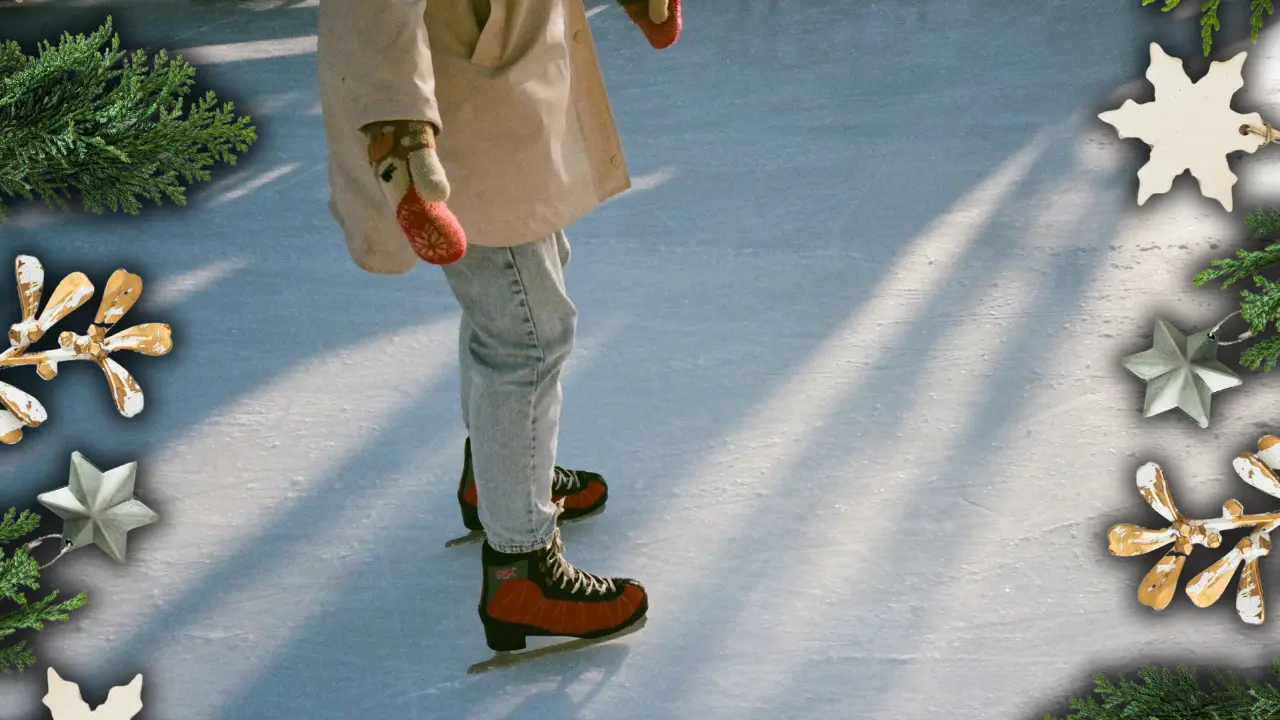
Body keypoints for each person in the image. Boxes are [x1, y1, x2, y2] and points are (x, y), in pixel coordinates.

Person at [317, 0, 680, 653]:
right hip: (456, 116)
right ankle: (522, 568)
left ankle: (498, 479)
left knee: (518, 291)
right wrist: (400, 135)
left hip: (507, 86)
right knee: (526, 330)